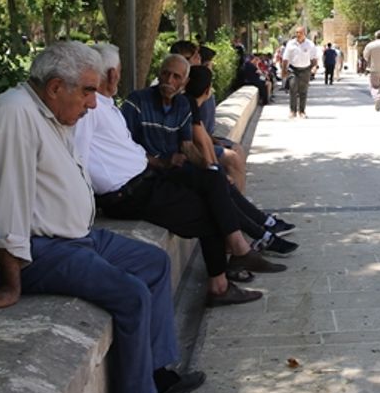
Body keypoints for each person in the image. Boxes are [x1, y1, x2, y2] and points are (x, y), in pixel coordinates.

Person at [0, 41, 202, 393]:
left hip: (76, 237)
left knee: (153, 262)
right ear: (56, 86)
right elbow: (8, 206)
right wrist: (10, 284)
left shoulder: (50, 112)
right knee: (129, 294)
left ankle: (156, 372)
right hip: (39, 250)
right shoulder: (14, 115)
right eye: (87, 92)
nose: (94, 104)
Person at [75, 45, 282, 307]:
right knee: (209, 209)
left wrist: (174, 163)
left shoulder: (105, 107)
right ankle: (225, 276)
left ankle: (236, 257)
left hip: (149, 175)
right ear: (113, 74)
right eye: (165, 74)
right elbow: (78, 157)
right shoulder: (97, 109)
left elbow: (185, 143)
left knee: (213, 179)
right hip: (128, 192)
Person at [122, 55, 299, 257]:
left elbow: (188, 146)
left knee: (218, 179)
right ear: (158, 73)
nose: (169, 81)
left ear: (185, 82)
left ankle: (260, 234)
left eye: (176, 77)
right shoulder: (138, 101)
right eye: (165, 74)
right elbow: (123, 146)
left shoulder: (181, 105)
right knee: (214, 191)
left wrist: (210, 167)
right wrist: (159, 161)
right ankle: (260, 235)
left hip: (175, 169)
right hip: (149, 172)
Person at [170, 41, 247, 193]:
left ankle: (237, 200)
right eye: (196, 56)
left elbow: (202, 132)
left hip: (199, 137)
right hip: (184, 145)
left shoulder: (195, 82)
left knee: (236, 150)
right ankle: (235, 203)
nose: (199, 59)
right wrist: (214, 168)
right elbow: (198, 138)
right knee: (232, 159)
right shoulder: (184, 92)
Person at [281, 26, 318, 118]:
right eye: (296, 32)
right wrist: (284, 70)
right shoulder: (291, 44)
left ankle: (302, 111)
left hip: (305, 69)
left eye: (300, 33)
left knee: (303, 91)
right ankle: (292, 110)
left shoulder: (310, 44)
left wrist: (314, 68)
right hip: (293, 69)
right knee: (293, 89)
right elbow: (285, 58)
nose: (298, 34)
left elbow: (314, 58)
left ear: (304, 33)